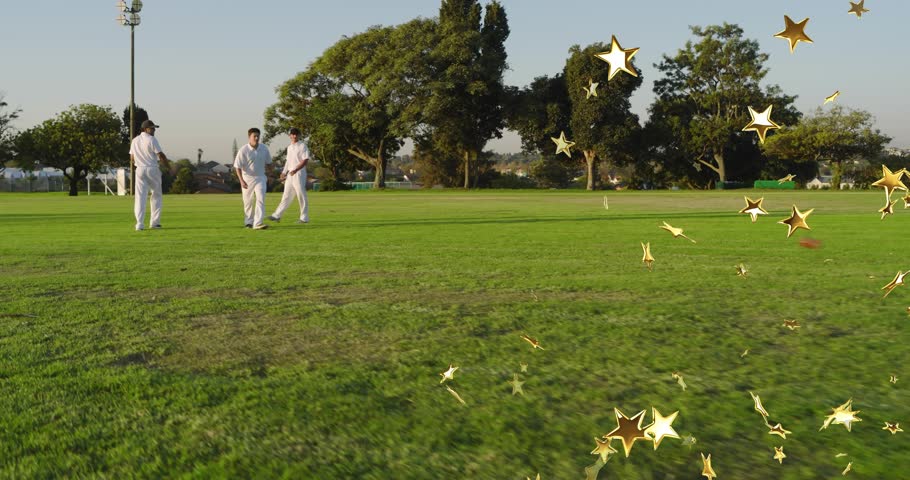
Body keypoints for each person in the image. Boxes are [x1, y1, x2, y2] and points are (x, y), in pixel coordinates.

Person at [130, 119, 169, 231]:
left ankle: (139, 224)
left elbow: (132, 158)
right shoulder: (152, 139)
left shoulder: (134, 140)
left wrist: (137, 166)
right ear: (145, 129)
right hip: (152, 168)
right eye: (151, 128)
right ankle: (154, 223)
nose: (153, 130)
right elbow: (160, 155)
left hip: (139, 169)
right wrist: (169, 167)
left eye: (154, 128)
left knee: (140, 197)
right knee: (156, 195)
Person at [268, 127, 310, 224]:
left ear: (299, 135)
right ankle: (277, 215)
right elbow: (288, 161)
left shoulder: (302, 146)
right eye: (292, 134)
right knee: (286, 195)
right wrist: (283, 172)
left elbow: (305, 160)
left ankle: (304, 218)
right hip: (290, 174)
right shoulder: (289, 147)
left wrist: (296, 169)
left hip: (299, 173)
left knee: (301, 195)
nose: (294, 136)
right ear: (289, 135)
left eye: (296, 134)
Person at [233, 127, 272, 229]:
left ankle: (258, 223)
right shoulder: (243, 150)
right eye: (254, 136)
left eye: (258, 136)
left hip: (261, 178)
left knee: (261, 199)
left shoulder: (264, 148)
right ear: (249, 137)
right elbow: (237, 167)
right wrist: (241, 181)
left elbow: (269, 163)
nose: (256, 138)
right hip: (247, 178)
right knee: (248, 201)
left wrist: (271, 175)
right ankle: (249, 222)